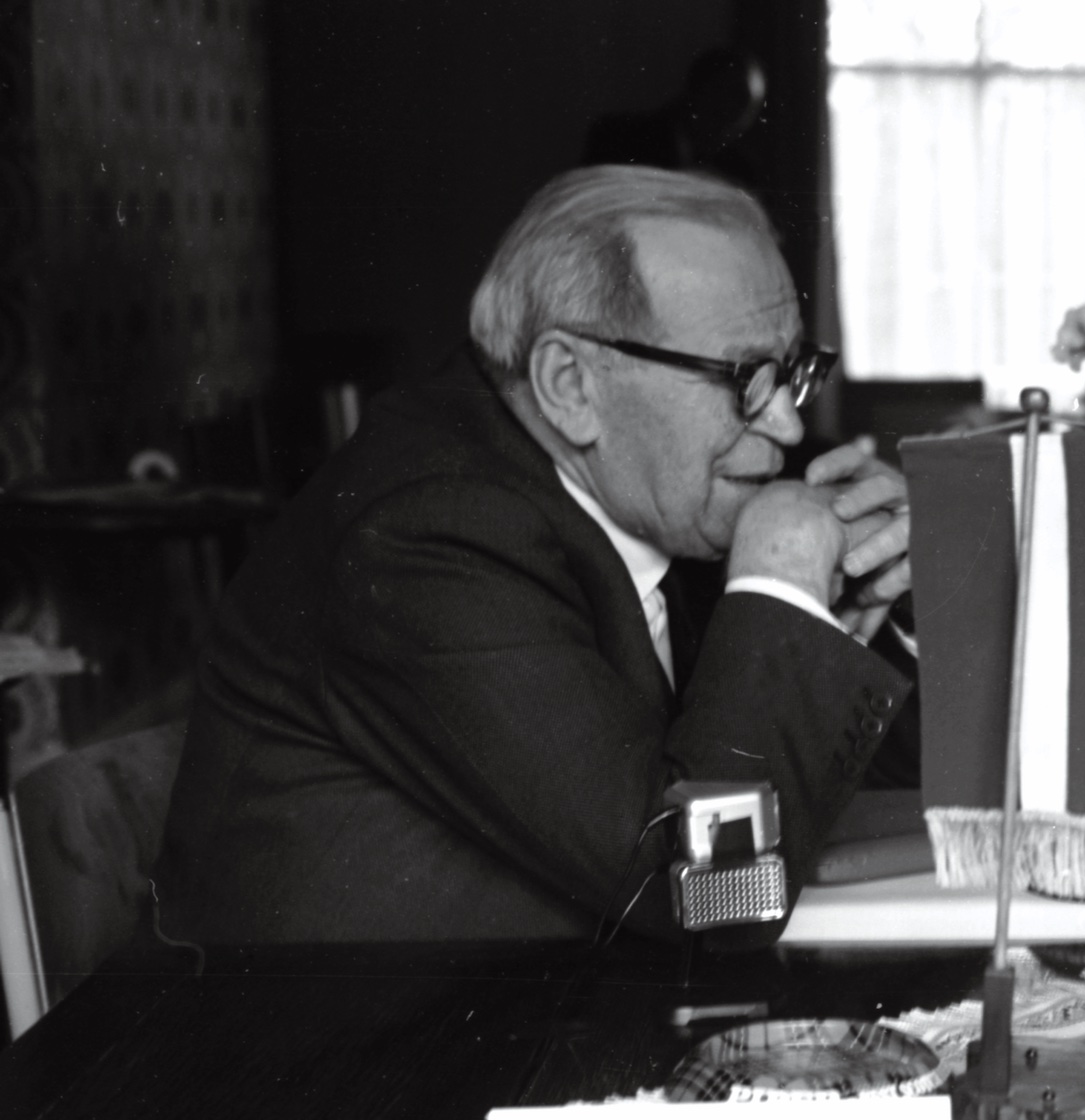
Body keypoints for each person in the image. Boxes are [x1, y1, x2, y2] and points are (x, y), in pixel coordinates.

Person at [155, 166, 915, 945]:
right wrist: (781, 584)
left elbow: (877, 798)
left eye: (793, 372)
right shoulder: (429, 538)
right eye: (748, 377)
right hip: (337, 1020)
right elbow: (708, 901)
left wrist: (891, 594)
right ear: (569, 384)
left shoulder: (649, 482)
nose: (788, 425)